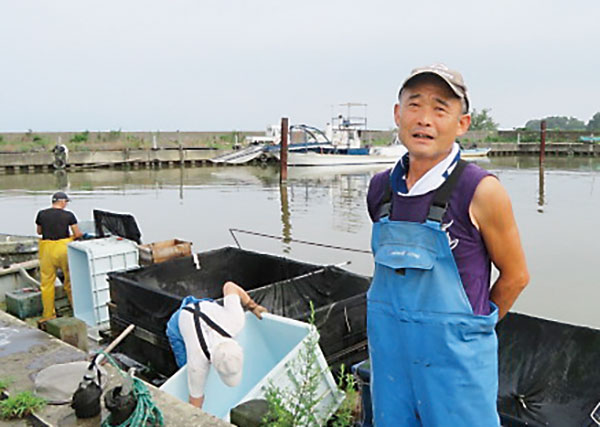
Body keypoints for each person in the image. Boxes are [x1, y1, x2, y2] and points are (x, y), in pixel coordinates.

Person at [366, 64, 529, 426]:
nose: (424, 119)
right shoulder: (380, 189)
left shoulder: (482, 192)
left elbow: (516, 276)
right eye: (414, 105)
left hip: (455, 369)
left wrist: (469, 330)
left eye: (440, 109)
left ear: (462, 124)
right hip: (391, 362)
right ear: (397, 114)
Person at [166, 281, 267, 409]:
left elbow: (230, 286)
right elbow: (195, 403)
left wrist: (252, 306)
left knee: (198, 377)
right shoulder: (197, 362)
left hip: (206, 308)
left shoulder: (236, 321)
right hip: (180, 321)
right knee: (185, 370)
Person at [35, 191, 83, 322]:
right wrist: (75, 237)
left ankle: (48, 315)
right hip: (63, 248)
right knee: (70, 281)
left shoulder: (41, 214)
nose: (66, 204)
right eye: (66, 202)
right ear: (62, 202)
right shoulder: (68, 215)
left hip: (46, 249)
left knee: (47, 284)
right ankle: (78, 311)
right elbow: (77, 234)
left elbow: (39, 231)